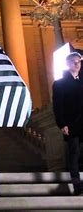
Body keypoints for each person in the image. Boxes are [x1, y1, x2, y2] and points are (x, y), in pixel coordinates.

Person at [52, 52, 83, 195]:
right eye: (73, 62)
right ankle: (77, 184)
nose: (76, 64)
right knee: (74, 152)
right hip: (71, 123)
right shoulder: (59, 83)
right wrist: (62, 124)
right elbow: (58, 106)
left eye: (79, 62)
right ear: (67, 64)